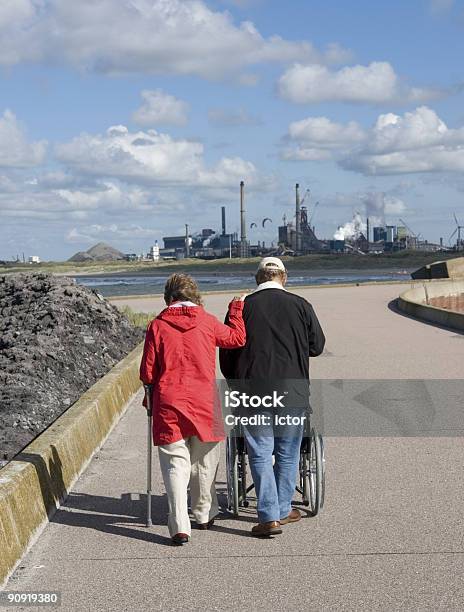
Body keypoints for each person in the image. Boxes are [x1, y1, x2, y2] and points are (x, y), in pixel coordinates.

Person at [220, 257, 325, 537]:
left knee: (260, 452)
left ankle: (269, 516)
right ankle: (281, 509)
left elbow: (227, 353)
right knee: (289, 454)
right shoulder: (301, 305)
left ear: (258, 278)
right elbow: (317, 346)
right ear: (284, 277)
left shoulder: (242, 308)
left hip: (253, 391)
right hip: (293, 390)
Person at [140, 273, 246, 545]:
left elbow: (147, 372)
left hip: (169, 400)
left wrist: (148, 397)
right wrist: (235, 309)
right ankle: (204, 514)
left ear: (169, 296)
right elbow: (236, 339)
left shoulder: (157, 326)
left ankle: (179, 525)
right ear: (194, 294)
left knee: (176, 464)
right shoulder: (207, 321)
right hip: (204, 400)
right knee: (204, 462)